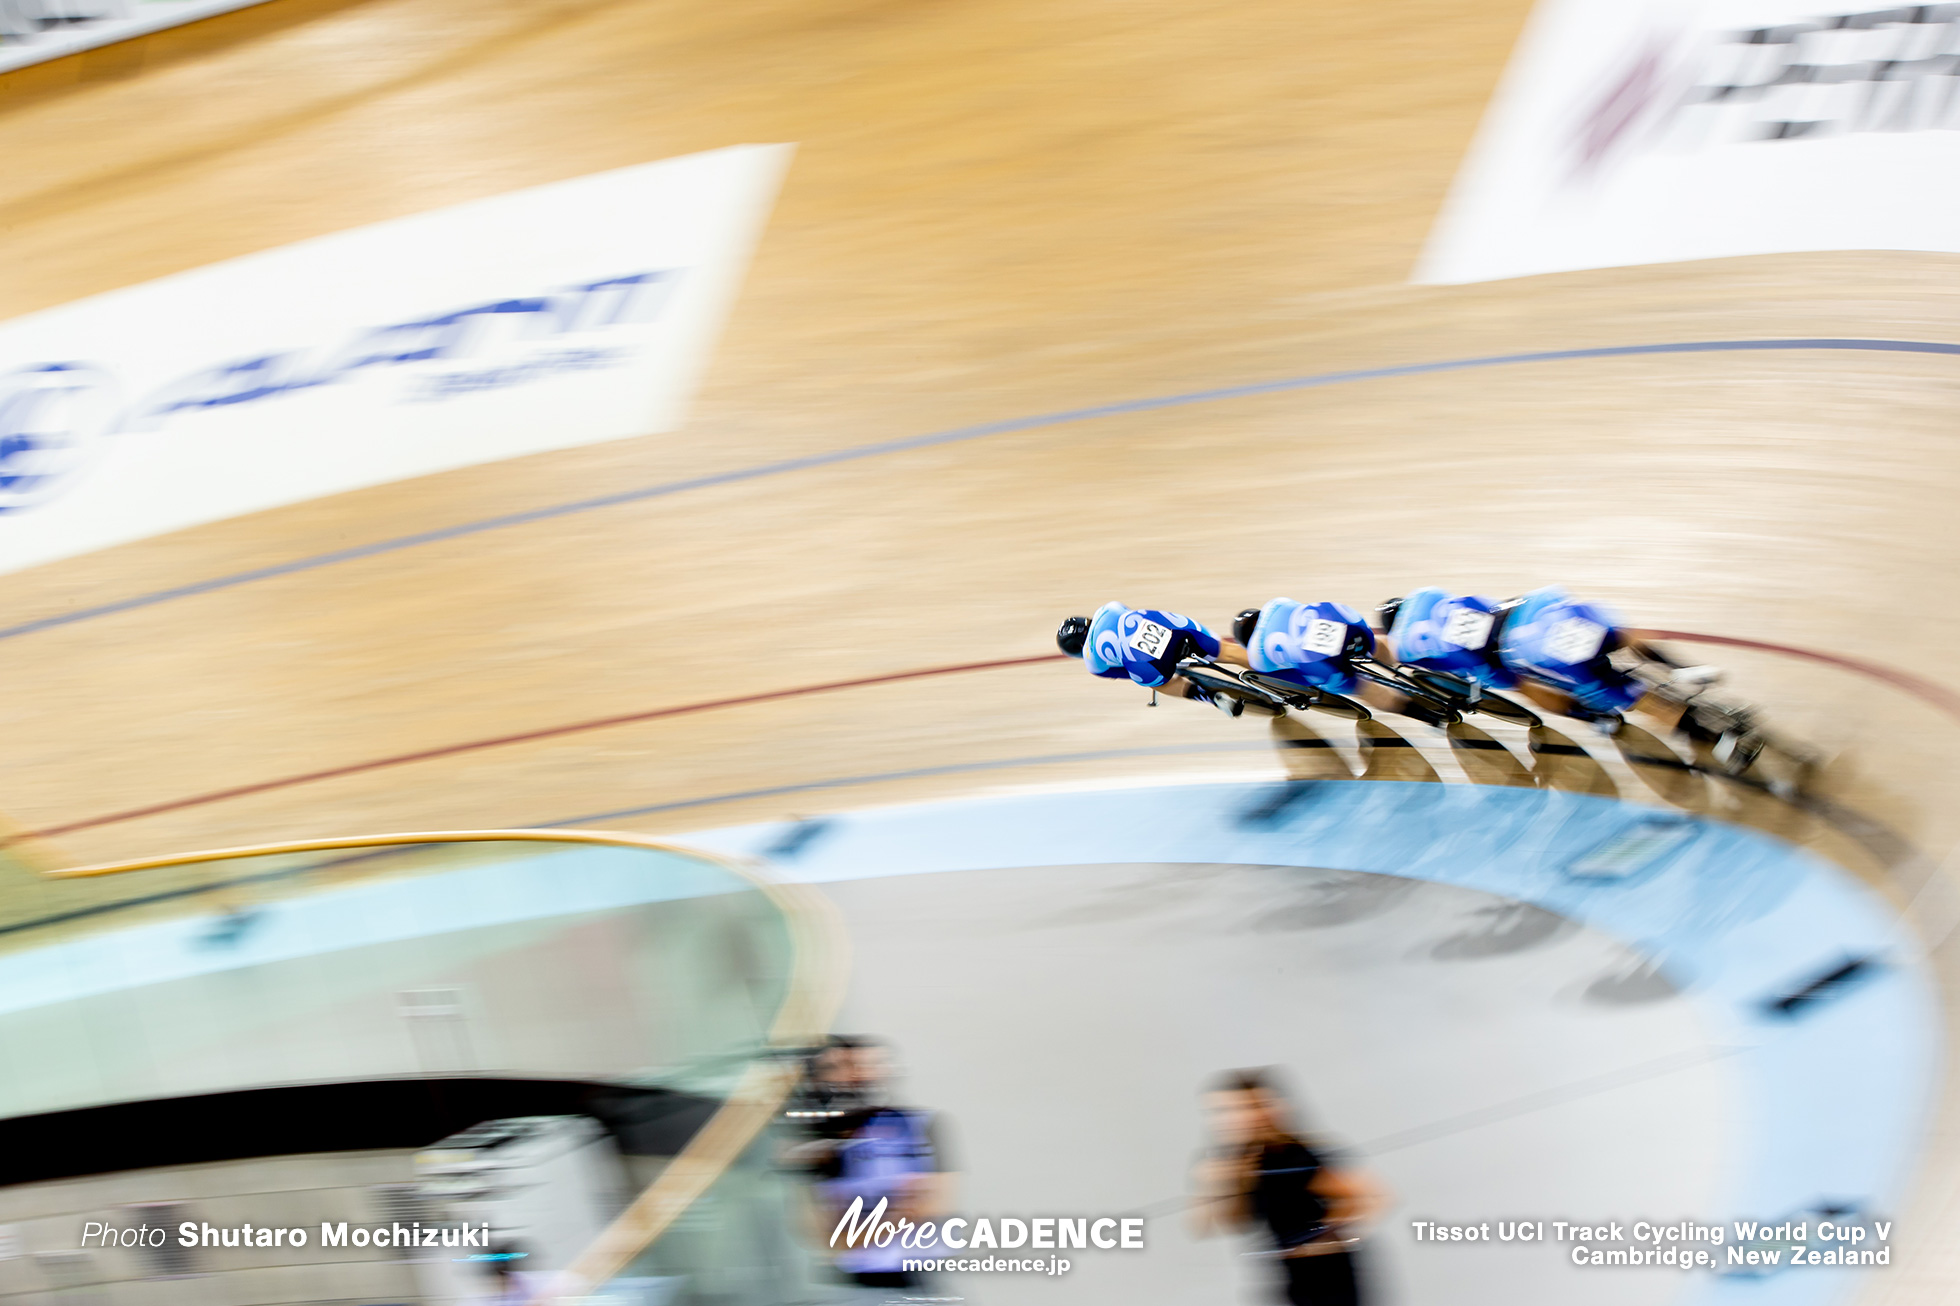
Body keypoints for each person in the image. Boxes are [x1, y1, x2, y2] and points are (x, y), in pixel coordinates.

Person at [1192, 1069, 1387, 1306]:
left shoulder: (1294, 1154)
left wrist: (1315, 1239)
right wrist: (1218, 1187)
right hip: (1289, 1276)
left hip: (1329, 1276)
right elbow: (1225, 1222)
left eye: (1254, 1107)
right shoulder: (1236, 1162)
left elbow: (1369, 1198)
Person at [787, 1037, 955, 1302]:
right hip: (848, 1280)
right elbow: (821, 1232)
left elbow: (929, 1208)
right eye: (842, 1067)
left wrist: (856, 1236)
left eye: (871, 1065)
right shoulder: (818, 1141)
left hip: (910, 1272)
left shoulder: (917, 1126)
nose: (859, 1075)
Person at [1057, 601, 1250, 705]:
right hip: (1167, 626)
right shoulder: (1108, 608)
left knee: (1161, 684)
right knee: (1224, 650)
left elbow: (1127, 673)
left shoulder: (1093, 664)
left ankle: (1211, 697)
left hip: (1146, 662)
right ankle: (1269, 666)